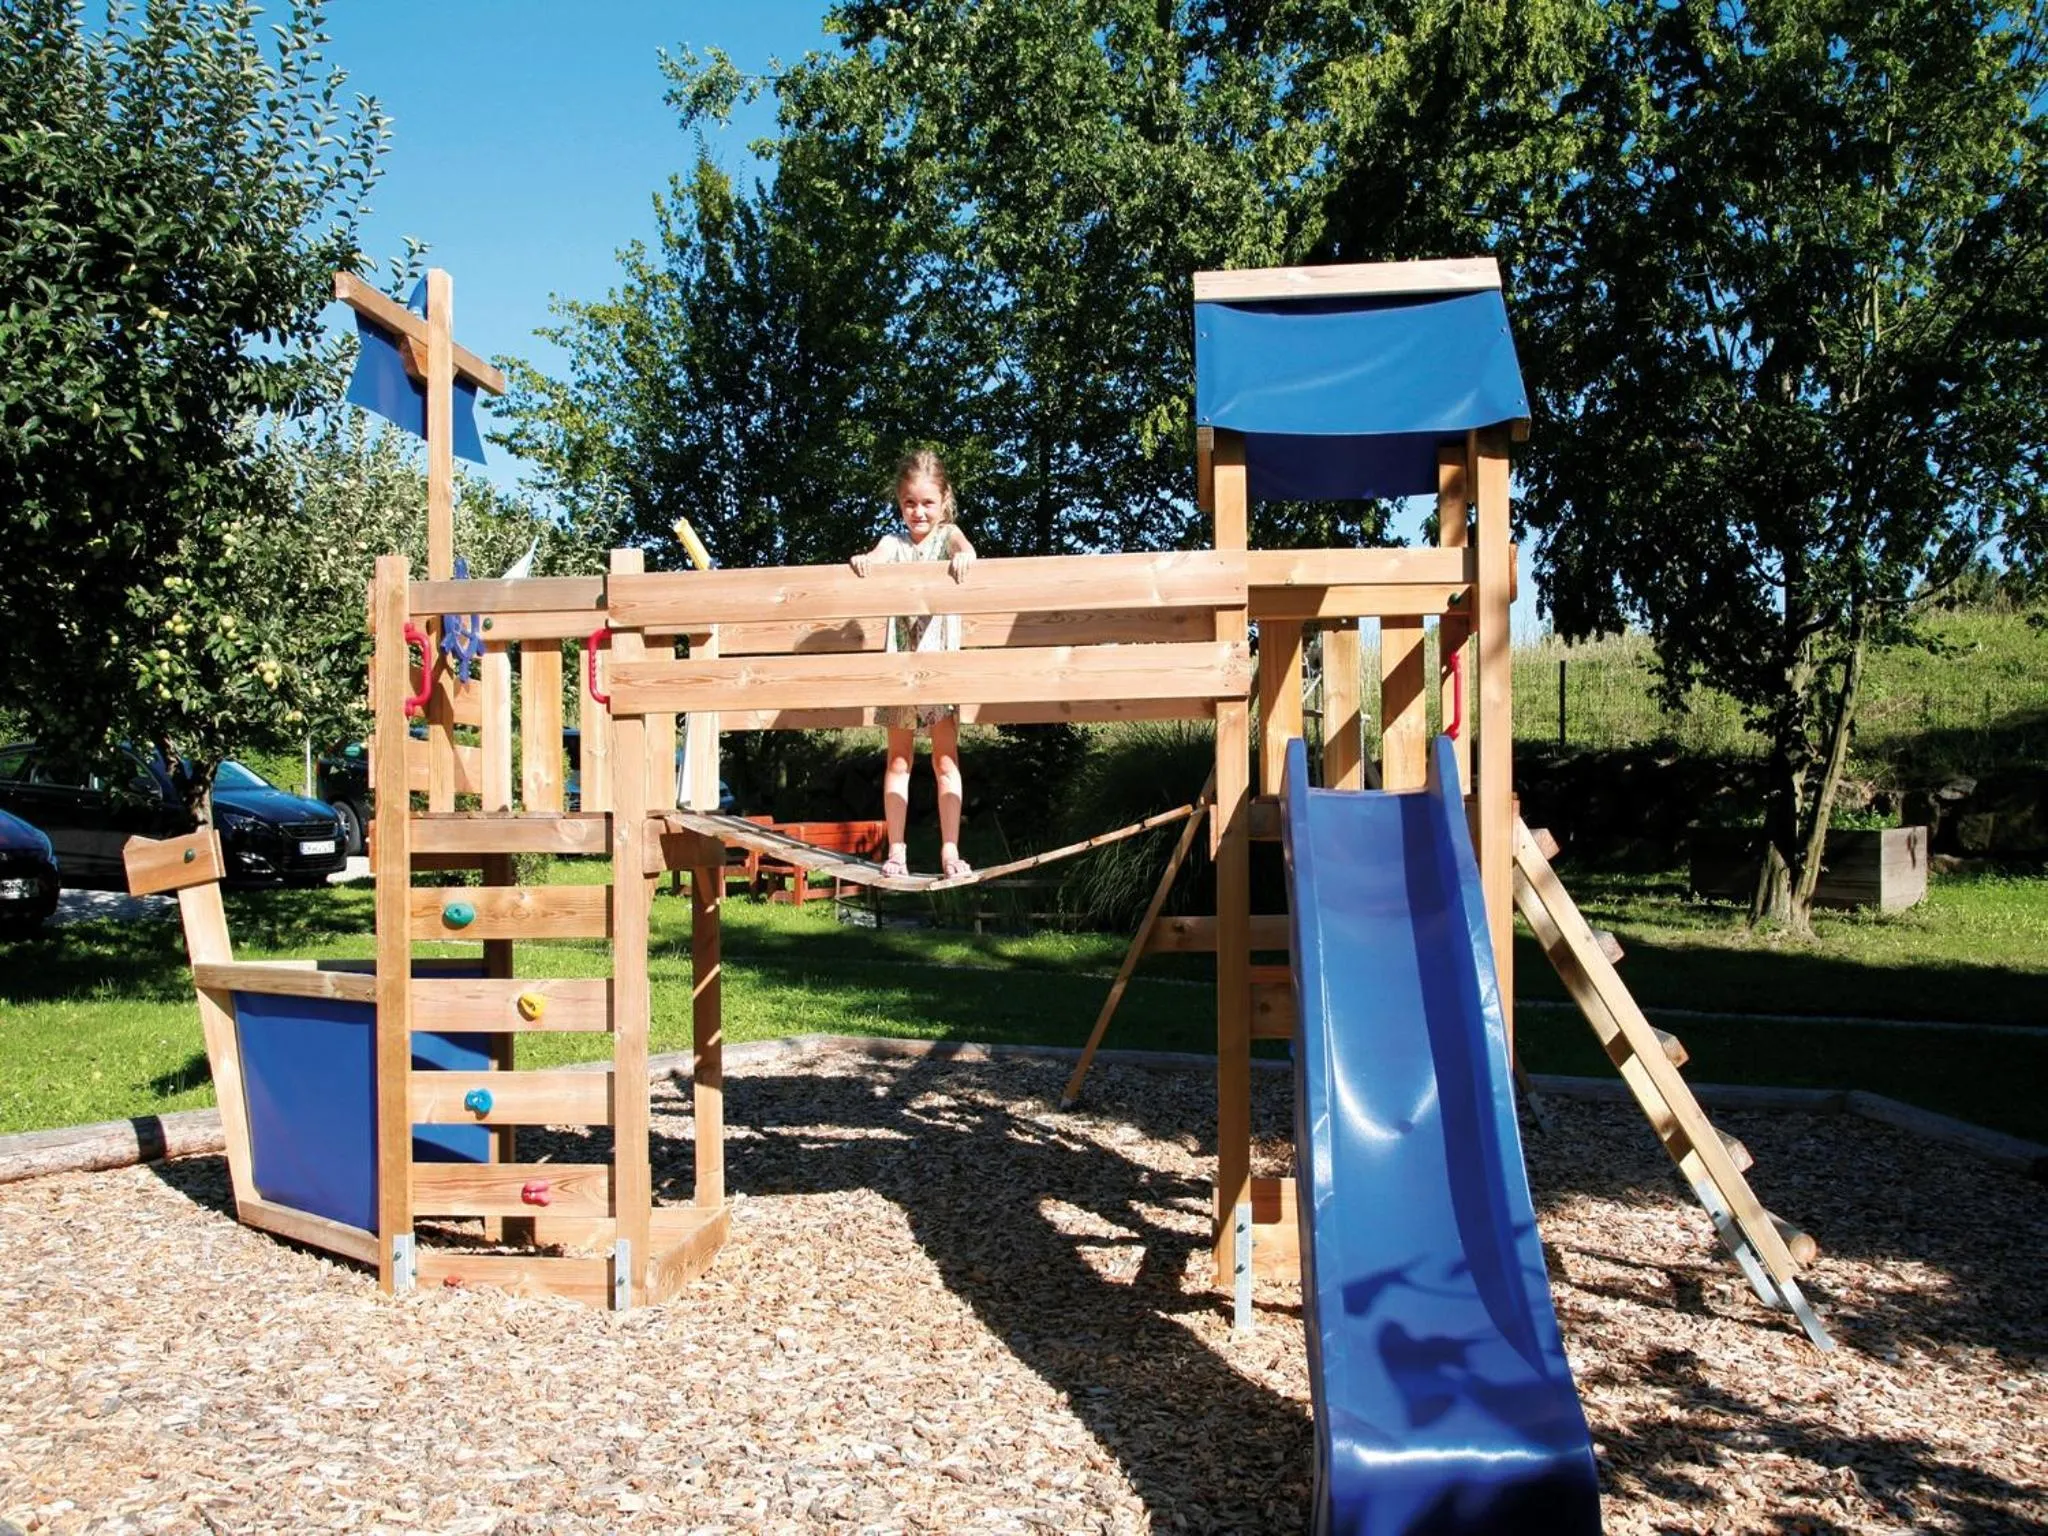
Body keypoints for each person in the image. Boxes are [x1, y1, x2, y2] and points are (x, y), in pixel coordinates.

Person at [850, 449, 977, 878]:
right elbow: (877, 557)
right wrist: (866, 562)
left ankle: (949, 850)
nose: (918, 511)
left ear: (944, 501)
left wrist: (962, 558)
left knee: (945, 760)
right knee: (899, 760)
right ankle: (897, 850)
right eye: (909, 502)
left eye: (927, 502)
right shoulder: (894, 543)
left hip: (939, 668)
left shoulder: (948, 536)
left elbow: (967, 551)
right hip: (901, 669)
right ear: (899, 503)